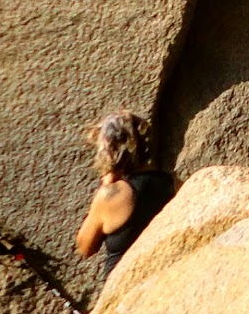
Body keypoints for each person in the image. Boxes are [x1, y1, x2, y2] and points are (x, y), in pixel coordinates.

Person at [74, 110, 174, 278]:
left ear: (109, 151)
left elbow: (85, 247)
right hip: (164, 278)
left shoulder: (111, 195)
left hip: (122, 287)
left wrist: (106, 184)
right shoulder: (171, 183)